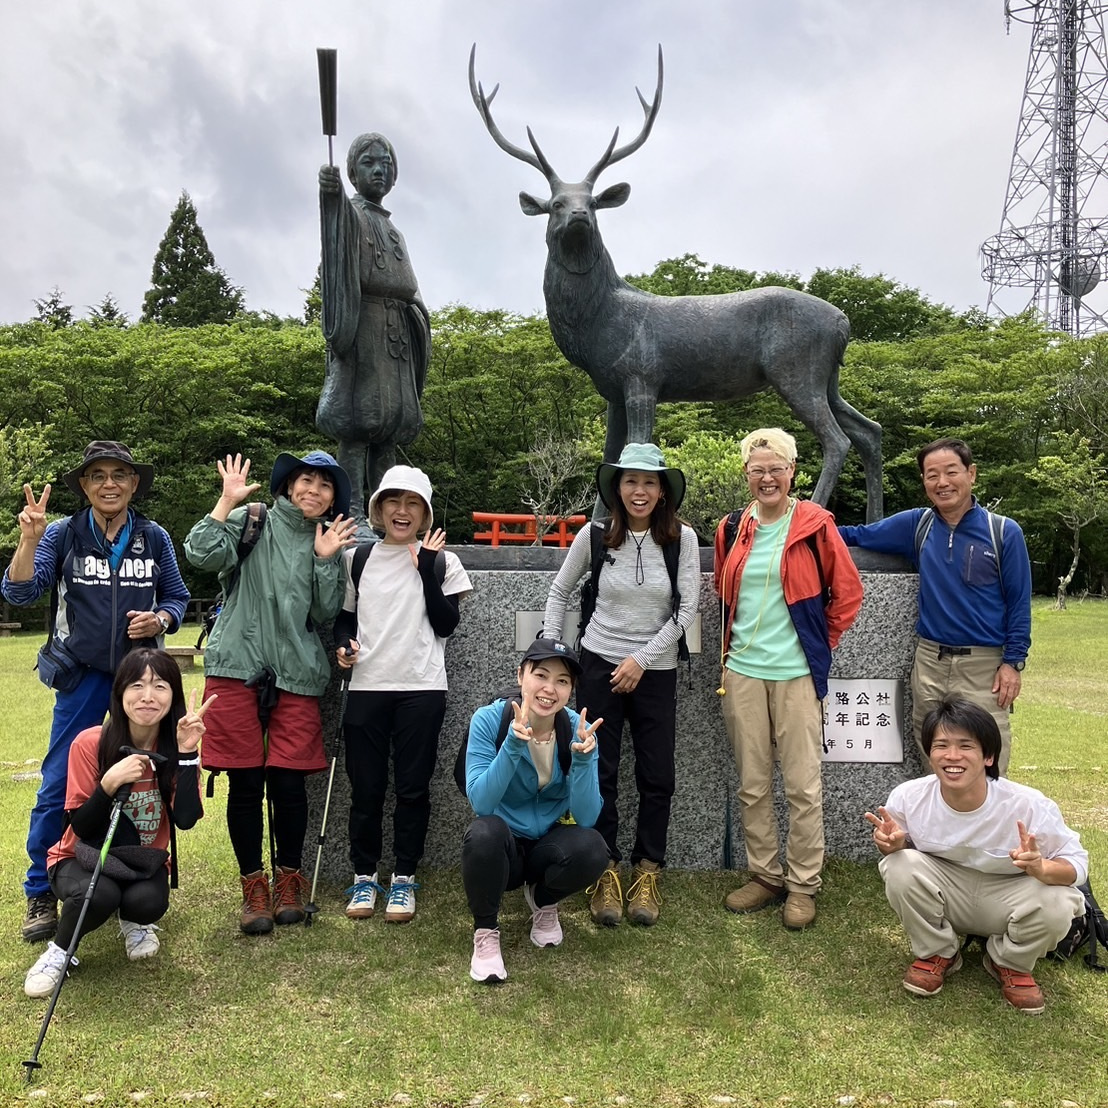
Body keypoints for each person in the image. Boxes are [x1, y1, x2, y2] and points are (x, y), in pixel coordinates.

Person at [2, 440, 190, 945]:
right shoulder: (61, 534)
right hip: (82, 678)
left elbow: (176, 595)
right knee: (59, 780)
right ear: (84, 485)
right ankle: (41, 888)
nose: (109, 483)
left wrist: (162, 618)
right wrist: (27, 540)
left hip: (139, 681)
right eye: (98, 475)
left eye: (119, 474)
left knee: (152, 776)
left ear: (133, 483)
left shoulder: (153, 537)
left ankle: (141, 874)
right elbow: (19, 591)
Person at [184, 451, 357, 934]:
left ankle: (289, 881)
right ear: (286, 485)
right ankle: (252, 886)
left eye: (325, 486)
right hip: (236, 666)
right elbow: (199, 554)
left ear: (332, 499)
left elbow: (324, 613)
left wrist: (326, 561)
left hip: (297, 673)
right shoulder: (250, 520)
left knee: (288, 782)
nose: (314, 491)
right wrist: (225, 501)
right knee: (243, 783)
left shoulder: (328, 542)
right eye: (306, 480)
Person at [542, 442, 698, 927]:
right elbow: (560, 591)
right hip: (596, 666)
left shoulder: (682, 539)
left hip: (656, 671)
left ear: (662, 491)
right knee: (597, 770)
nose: (640, 490)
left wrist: (641, 659)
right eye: (630, 481)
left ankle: (648, 870)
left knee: (658, 776)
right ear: (616, 487)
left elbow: (687, 609)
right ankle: (604, 868)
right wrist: (550, 653)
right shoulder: (593, 536)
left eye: (650, 482)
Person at [714, 428, 862, 930]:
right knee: (753, 785)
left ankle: (803, 884)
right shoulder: (731, 528)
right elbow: (722, 588)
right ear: (746, 474)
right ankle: (765, 874)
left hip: (797, 674)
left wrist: (820, 644)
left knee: (802, 785)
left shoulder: (815, 525)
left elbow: (847, 594)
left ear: (793, 471)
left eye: (776, 468)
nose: (767, 477)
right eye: (757, 469)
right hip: (742, 673)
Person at [865, 699, 1087, 1015]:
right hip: (950, 890)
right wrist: (892, 845)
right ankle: (938, 952)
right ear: (930, 754)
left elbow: (1076, 864)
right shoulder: (909, 797)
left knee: (1059, 899)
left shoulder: (1027, 804)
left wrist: (1042, 867)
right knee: (899, 865)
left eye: (965, 746)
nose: (952, 756)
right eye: (941, 745)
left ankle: (1008, 962)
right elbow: (900, 853)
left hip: (1008, 895)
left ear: (988, 756)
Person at [23, 648, 210, 997]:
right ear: (120, 693)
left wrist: (187, 755)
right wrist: (108, 784)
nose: (148, 697)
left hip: (141, 861)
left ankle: (131, 921)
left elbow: (185, 820)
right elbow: (80, 827)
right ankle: (59, 954)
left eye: (160, 686)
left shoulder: (175, 746)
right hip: (80, 855)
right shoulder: (90, 742)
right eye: (137, 685)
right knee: (97, 894)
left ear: (174, 696)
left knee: (148, 904)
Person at [839, 437, 1032, 775]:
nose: (942, 483)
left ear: (971, 474)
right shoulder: (918, 524)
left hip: (983, 668)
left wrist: (1013, 663)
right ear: (924, 482)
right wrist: (792, 525)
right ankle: (939, 830)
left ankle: (986, 828)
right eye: (932, 475)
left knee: (987, 764)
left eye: (951, 472)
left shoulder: (1003, 532)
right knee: (934, 759)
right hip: (929, 663)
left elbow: (1019, 602)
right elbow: (856, 536)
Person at [334, 465, 472, 923]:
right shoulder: (357, 558)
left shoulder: (443, 561)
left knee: (413, 789)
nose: (402, 510)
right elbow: (345, 618)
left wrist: (425, 570)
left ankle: (405, 878)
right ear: (378, 508)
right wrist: (343, 646)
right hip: (368, 685)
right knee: (366, 787)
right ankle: (364, 876)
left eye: (413, 503)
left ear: (425, 513)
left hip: (422, 687)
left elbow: (447, 625)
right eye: (393, 501)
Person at [462, 638, 607, 983]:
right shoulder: (488, 720)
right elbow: (480, 803)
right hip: (504, 848)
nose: (549, 689)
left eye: (562, 681)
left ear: (570, 690)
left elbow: (587, 818)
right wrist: (514, 744)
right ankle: (485, 933)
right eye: (541, 675)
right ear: (521, 676)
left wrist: (585, 761)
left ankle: (542, 900)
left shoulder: (576, 728)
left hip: (546, 846)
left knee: (593, 848)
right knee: (483, 833)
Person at [318, 132, 431, 528]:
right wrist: (330, 198)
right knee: (357, 425)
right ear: (352, 171)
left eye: (386, 163)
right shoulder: (352, 215)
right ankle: (349, 513)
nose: (379, 170)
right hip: (363, 328)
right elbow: (336, 235)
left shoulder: (393, 229)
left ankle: (386, 514)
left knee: (389, 431)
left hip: (397, 331)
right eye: (369, 163)